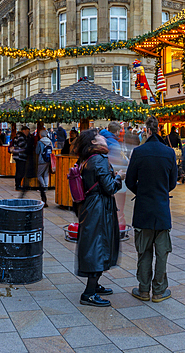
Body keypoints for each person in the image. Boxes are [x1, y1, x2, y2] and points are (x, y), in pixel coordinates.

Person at [125, 117, 178, 303]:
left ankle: (143, 289)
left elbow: (129, 180)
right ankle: (159, 290)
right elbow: (173, 182)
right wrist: (161, 190)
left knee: (144, 251)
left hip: (143, 208)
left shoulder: (139, 152)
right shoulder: (169, 152)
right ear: (159, 130)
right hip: (162, 208)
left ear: (147, 131)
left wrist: (142, 191)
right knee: (162, 252)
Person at [73, 129, 122, 307]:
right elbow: (109, 188)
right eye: (100, 136)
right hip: (99, 208)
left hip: (91, 206)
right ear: (94, 142)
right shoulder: (99, 159)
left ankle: (95, 285)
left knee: (96, 245)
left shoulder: (88, 158)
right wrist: (118, 177)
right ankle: (89, 293)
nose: (104, 138)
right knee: (98, 247)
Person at [27, 128, 52, 207]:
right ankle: (46, 186)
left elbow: (37, 151)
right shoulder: (50, 141)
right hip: (48, 159)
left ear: (40, 135)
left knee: (39, 174)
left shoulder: (40, 142)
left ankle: (43, 186)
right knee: (46, 174)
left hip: (41, 160)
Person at [11, 126, 31, 191]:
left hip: (19, 156)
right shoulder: (21, 137)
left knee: (20, 171)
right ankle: (18, 185)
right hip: (20, 156)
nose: (28, 133)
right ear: (24, 131)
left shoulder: (19, 136)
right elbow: (22, 144)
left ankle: (18, 184)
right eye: (27, 131)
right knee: (20, 171)